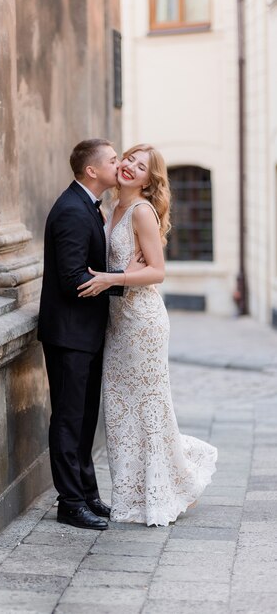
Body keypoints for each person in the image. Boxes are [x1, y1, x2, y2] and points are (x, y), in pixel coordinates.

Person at [78, 143, 218, 526]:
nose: (129, 168)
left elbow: (157, 271)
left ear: (147, 179)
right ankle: (133, 494)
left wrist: (114, 277)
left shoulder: (141, 211)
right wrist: (117, 272)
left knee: (148, 406)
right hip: (118, 323)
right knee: (122, 409)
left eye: (140, 167)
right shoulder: (110, 209)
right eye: (129, 160)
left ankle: (162, 490)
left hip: (143, 323)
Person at [38, 139, 140, 531]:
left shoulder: (89, 208)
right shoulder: (71, 211)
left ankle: (88, 493)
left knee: (84, 420)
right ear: (92, 171)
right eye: (114, 161)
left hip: (87, 333)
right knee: (68, 419)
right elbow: (72, 279)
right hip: (69, 335)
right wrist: (125, 281)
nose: (120, 165)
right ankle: (70, 502)